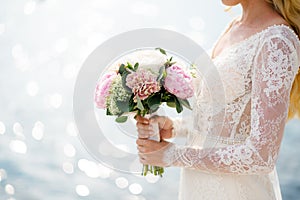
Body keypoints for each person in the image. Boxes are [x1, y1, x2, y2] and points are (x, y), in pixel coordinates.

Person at [135, 0, 300, 199]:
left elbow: (261, 156)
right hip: (196, 186)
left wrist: (173, 155)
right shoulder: (234, 26)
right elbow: (222, 119)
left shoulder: (276, 41)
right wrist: (176, 127)